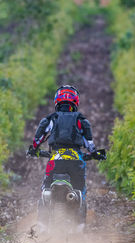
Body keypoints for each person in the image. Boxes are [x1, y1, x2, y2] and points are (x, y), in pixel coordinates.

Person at [27, 85, 97, 231]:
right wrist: (94, 153)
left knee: (46, 187)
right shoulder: (81, 120)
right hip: (76, 161)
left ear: (57, 101)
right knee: (80, 189)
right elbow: (89, 144)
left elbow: (38, 139)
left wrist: (34, 150)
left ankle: (42, 224)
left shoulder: (51, 119)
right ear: (75, 102)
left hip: (55, 159)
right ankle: (80, 226)